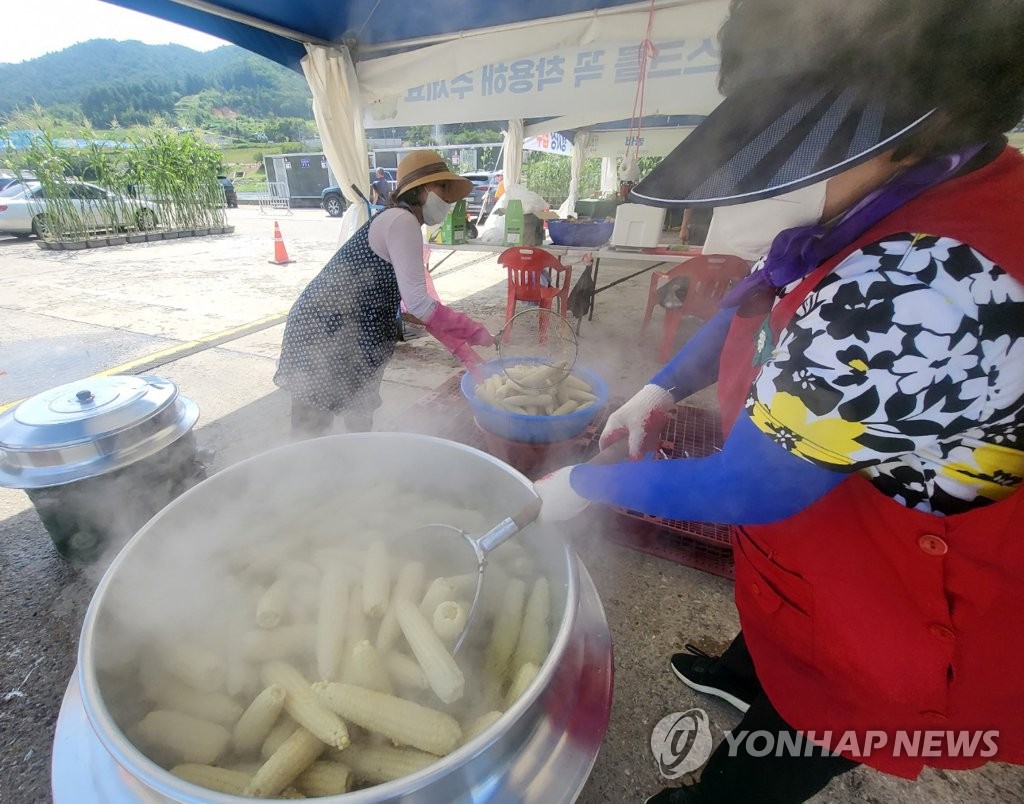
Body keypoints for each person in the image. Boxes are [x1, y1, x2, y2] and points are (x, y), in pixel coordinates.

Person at [537, 0, 1024, 801]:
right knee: (780, 650)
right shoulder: (878, 202)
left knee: (790, 746)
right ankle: (746, 672)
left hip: (900, 594)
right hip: (819, 544)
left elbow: (748, 488)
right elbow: (758, 299)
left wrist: (583, 484)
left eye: (804, 146)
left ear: (903, 138)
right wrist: (662, 384)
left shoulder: (927, 285)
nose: (769, 184)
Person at [274, 150, 494, 438]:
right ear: (423, 189)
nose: (449, 202)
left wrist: (462, 348)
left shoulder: (402, 222)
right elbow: (421, 304)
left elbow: (416, 307)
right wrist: (472, 331)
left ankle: (359, 470)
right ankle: (305, 478)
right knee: (311, 431)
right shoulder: (401, 222)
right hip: (323, 332)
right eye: (444, 189)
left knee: (359, 419)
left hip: (358, 336)